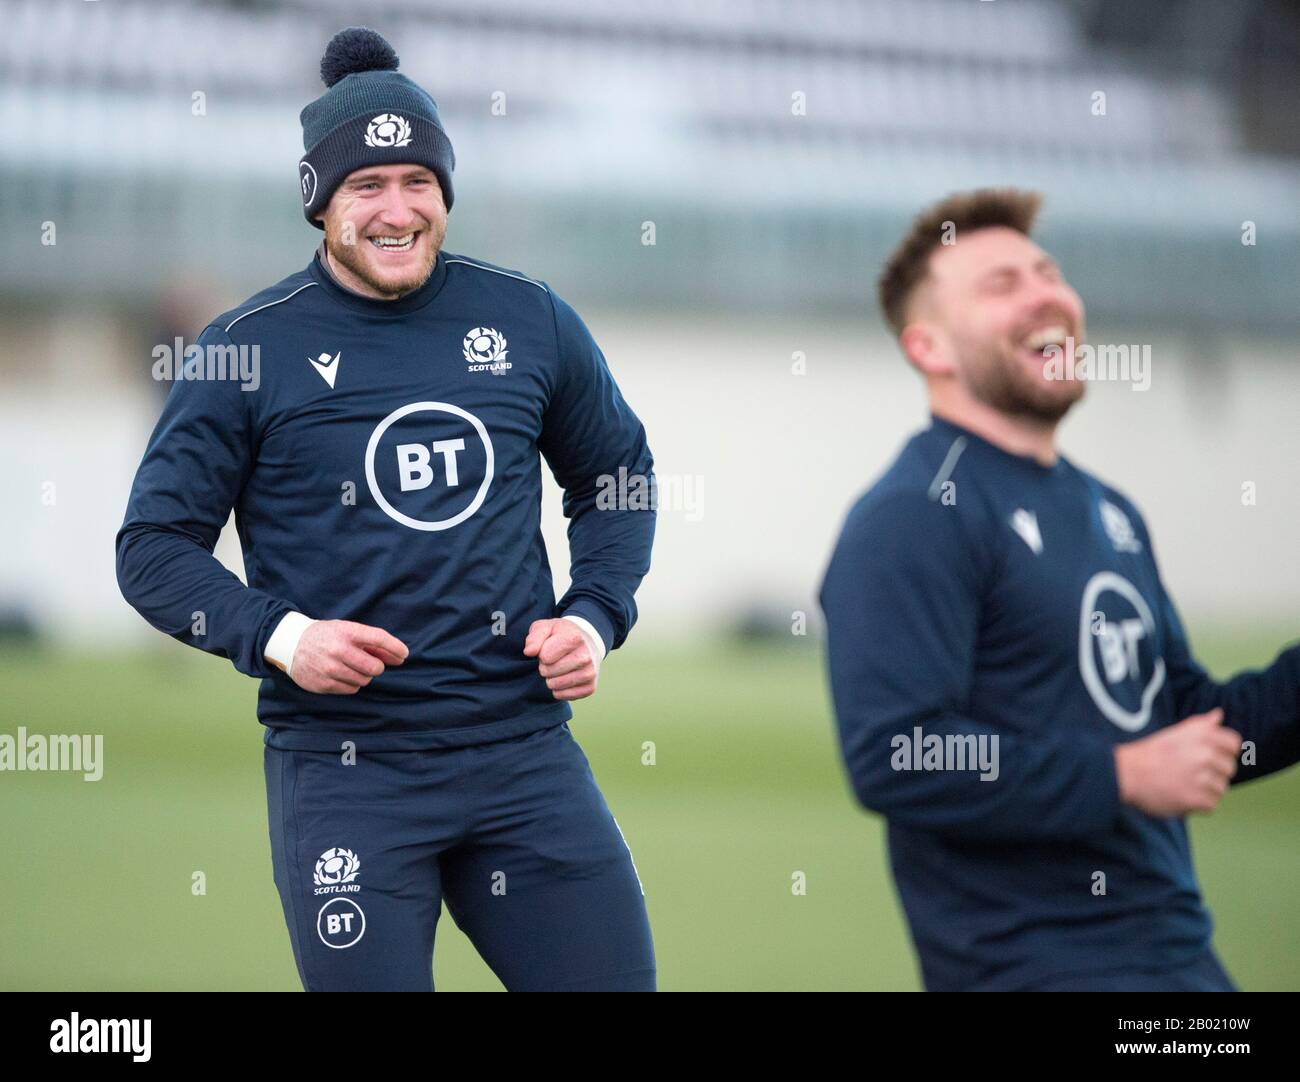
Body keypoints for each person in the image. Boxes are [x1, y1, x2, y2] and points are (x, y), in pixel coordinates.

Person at [116, 27, 656, 992]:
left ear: (446, 194)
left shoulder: (529, 318)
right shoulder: (246, 348)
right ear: (321, 202)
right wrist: (280, 636)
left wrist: (596, 614)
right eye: (367, 186)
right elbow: (153, 549)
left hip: (523, 756)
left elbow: (618, 474)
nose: (397, 209)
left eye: (420, 181)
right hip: (345, 773)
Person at [818, 187, 1300, 992]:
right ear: (928, 347)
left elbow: (1181, 727)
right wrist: (1120, 776)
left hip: (1179, 963)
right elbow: (896, 754)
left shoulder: (1107, 510)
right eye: (1002, 285)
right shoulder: (914, 513)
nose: (1047, 294)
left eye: (1049, 272)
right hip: (1036, 971)